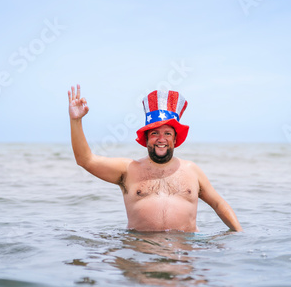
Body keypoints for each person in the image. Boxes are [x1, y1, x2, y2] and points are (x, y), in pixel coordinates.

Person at [68, 84, 242, 232]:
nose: (161, 139)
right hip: (141, 253)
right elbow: (85, 160)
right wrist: (76, 121)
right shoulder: (128, 170)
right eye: (155, 133)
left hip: (184, 253)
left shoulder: (192, 170)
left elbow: (219, 204)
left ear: (175, 138)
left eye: (167, 133)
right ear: (146, 138)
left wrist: (239, 235)